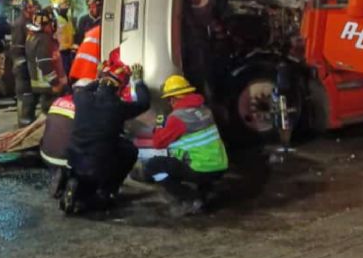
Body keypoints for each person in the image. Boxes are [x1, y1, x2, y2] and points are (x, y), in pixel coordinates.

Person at [62, 60, 150, 214]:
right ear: (119, 88)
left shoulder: (81, 98)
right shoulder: (118, 107)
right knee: (129, 150)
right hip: (97, 164)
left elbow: (85, 89)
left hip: (74, 158)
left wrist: (99, 78)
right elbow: (144, 103)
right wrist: (138, 82)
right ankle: (107, 192)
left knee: (100, 154)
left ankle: (75, 184)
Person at [146, 75, 228, 215]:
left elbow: (158, 143)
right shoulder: (205, 110)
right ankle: (205, 192)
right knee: (197, 157)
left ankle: (191, 198)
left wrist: (159, 126)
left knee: (153, 165)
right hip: (220, 166)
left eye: (168, 99)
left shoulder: (178, 117)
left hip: (201, 169)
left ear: (173, 98)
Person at [26, 8, 66, 115]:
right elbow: (44, 63)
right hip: (47, 85)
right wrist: (55, 83)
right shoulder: (44, 39)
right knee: (52, 114)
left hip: (39, 83)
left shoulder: (32, 37)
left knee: (45, 113)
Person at [40, 91, 78, 198]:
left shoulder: (58, 101)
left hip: (46, 154)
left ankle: (57, 173)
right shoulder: (86, 105)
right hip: (66, 159)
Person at [11, 0, 38, 127]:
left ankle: (27, 122)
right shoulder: (20, 24)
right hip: (23, 66)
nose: (33, 9)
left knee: (29, 96)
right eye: (31, 7)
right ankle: (23, 125)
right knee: (25, 95)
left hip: (27, 64)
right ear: (25, 9)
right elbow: (18, 48)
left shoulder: (27, 22)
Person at [49, 0, 76, 75]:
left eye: (66, 4)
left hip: (70, 52)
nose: (66, 6)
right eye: (63, 4)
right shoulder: (54, 20)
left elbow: (72, 33)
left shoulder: (68, 18)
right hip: (60, 54)